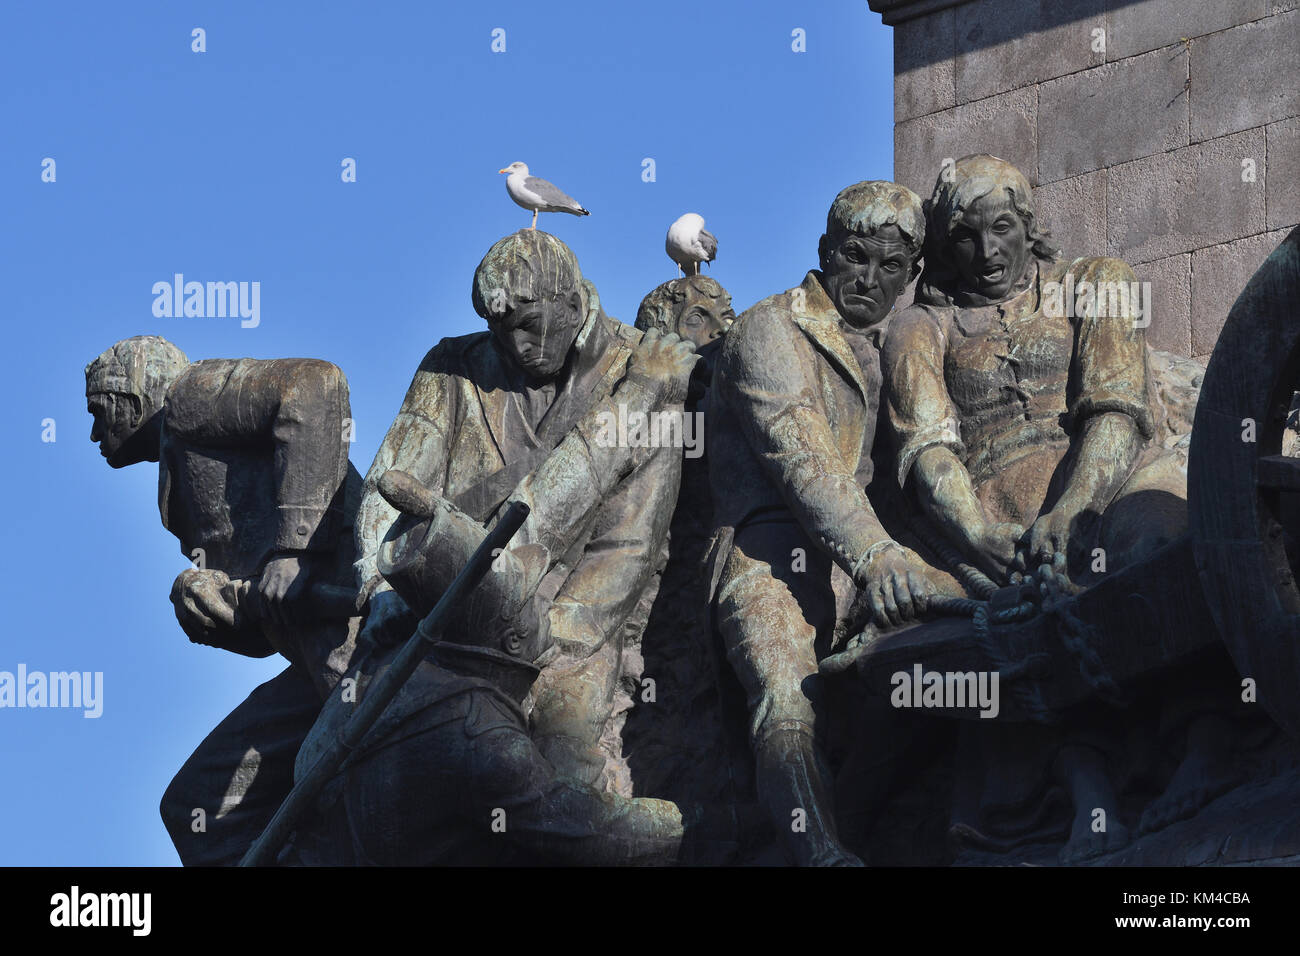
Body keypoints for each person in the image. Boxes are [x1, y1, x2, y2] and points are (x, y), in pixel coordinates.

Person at [353, 229, 685, 792]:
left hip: (571, 632)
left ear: (574, 303)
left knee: (561, 776)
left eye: (530, 325)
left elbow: (631, 545)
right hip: (432, 617)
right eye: (501, 330)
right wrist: (375, 589)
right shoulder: (452, 366)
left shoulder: (647, 369)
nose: (518, 347)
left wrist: (553, 642)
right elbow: (387, 485)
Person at [707, 181, 949, 865]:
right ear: (824, 252)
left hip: (867, 562)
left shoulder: (896, 347)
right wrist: (879, 558)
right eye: (854, 256)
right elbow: (800, 457)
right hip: (767, 551)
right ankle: (818, 854)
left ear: (912, 276)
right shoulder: (769, 327)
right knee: (787, 697)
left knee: (970, 659)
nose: (869, 279)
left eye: (891, 267)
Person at [86, 336, 360, 865]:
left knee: (375, 765)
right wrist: (216, 609)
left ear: (132, 398)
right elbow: (269, 617)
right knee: (197, 805)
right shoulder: (176, 489)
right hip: (309, 655)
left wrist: (294, 546)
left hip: (358, 629)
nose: (95, 433)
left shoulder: (189, 399)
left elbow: (316, 386)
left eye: (100, 412)